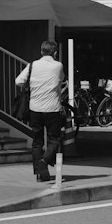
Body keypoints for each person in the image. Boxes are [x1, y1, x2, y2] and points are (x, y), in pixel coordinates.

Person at [15, 39, 69, 182]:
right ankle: (44, 161)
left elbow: (18, 81)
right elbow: (62, 79)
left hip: (35, 109)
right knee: (54, 139)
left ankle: (40, 174)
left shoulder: (32, 65)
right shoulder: (58, 66)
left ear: (41, 52)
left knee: (37, 141)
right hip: (52, 109)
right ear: (55, 53)